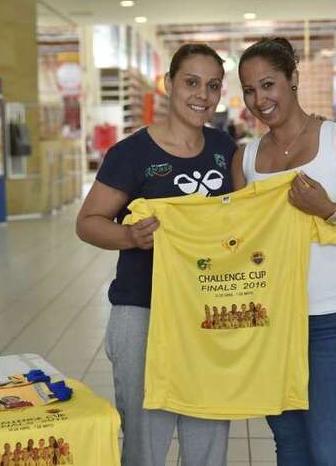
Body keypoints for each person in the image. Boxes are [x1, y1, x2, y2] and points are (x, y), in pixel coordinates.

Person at [232, 37, 336, 465]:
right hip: (270, 323)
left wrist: (329, 211)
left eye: (268, 84)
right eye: (249, 90)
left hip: (333, 322)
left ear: (293, 78)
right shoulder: (245, 159)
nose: (259, 99)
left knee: (331, 453)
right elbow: (237, 241)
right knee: (290, 448)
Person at [76, 43, 235, 466]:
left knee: (208, 432)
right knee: (145, 440)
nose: (202, 94)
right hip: (143, 310)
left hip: (207, 313)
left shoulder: (225, 148)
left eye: (213, 85)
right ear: (169, 84)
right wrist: (129, 236)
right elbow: (88, 222)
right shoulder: (131, 154)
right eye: (191, 82)